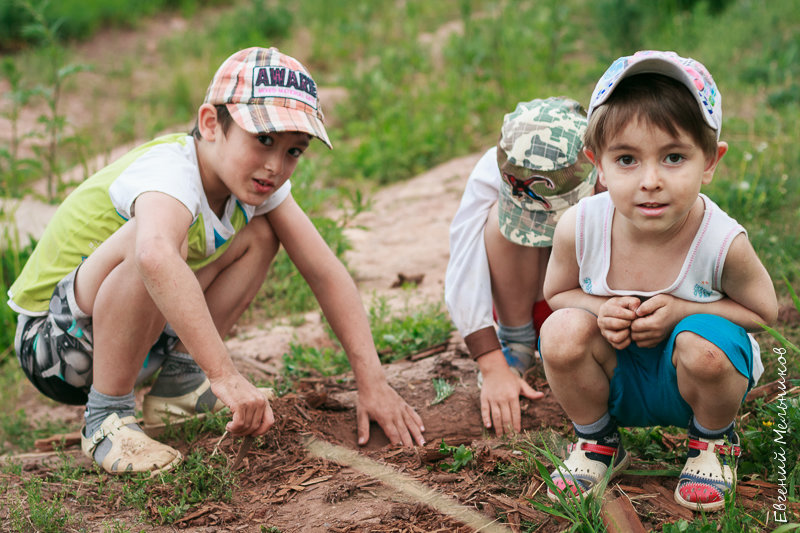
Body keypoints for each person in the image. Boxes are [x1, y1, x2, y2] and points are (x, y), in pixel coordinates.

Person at [7, 47, 426, 476]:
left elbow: (325, 272)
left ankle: (180, 385)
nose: (274, 166)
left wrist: (372, 383)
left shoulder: (258, 183)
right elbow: (153, 256)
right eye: (263, 140)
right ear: (211, 124)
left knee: (262, 233)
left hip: (130, 340)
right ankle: (105, 419)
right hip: (55, 348)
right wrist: (225, 375)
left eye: (293, 151)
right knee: (152, 244)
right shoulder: (169, 173)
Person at [540, 51, 778, 511]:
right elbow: (557, 294)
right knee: (561, 331)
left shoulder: (721, 240)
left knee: (706, 345)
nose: (650, 180)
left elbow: (763, 313)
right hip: (616, 373)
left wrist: (684, 310)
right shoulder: (580, 226)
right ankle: (597, 442)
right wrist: (598, 308)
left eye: (673, 157)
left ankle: (712, 441)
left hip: (693, 379)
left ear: (710, 161)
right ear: (598, 165)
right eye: (627, 159)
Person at [445, 97, 598, 436]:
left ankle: (576, 339)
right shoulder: (498, 166)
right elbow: (463, 261)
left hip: (586, 301)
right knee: (498, 221)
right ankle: (518, 342)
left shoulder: (613, 170)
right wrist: (491, 364)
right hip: (523, 298)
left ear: (592, 162)